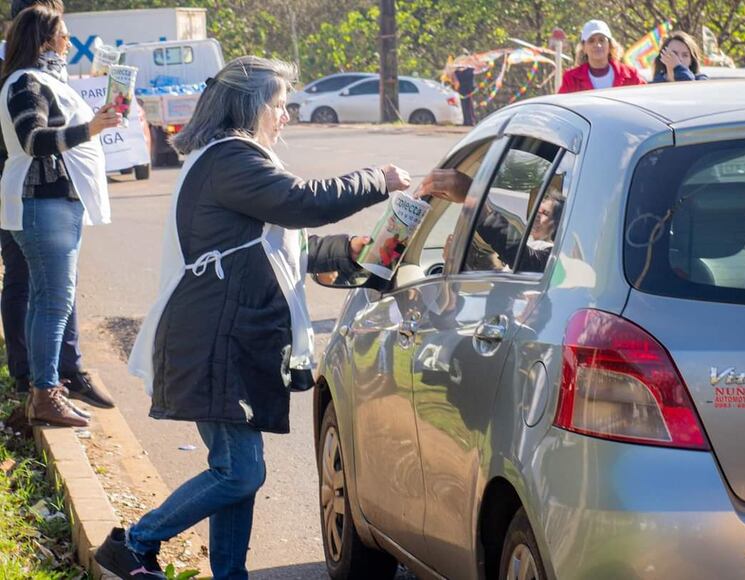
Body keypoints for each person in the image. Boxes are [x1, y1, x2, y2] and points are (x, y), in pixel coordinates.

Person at [93, 56, 410, 579]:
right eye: (280, 105)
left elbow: (288, 246)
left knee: (235, 471)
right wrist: (378, 178)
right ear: (251, 105)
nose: (285, 117)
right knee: (241, 472)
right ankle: (137, 542)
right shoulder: (230, 159)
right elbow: (300, 203)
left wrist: (348, 250)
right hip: (215, 339)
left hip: (229, 338)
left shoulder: (235, 160)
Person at [0, 6, 121, 427]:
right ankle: (46, 394)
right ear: (44, 41)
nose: (69, 44)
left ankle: (43, 391)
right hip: (41, 204)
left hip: (53, 205)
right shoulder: (25, 83)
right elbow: (32, 139)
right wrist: (90, 129)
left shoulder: (41, 80)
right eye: (64, 37)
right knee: (52, 303)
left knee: (46, 302)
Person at [419, 168, 564, 271]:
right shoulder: (528, 242)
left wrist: (474, 198)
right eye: (536, 210)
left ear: (557, 223)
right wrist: (453, 261)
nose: (537, 215)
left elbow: (522, 257)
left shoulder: (555, 256)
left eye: (545, 213)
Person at [559, 19, 646, 93]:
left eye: (602, 40)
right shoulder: (571, 79)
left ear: (610, 46)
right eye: (591, 41)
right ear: (584, 48)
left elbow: (645, 99)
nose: (597, 45)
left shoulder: (630, 75)